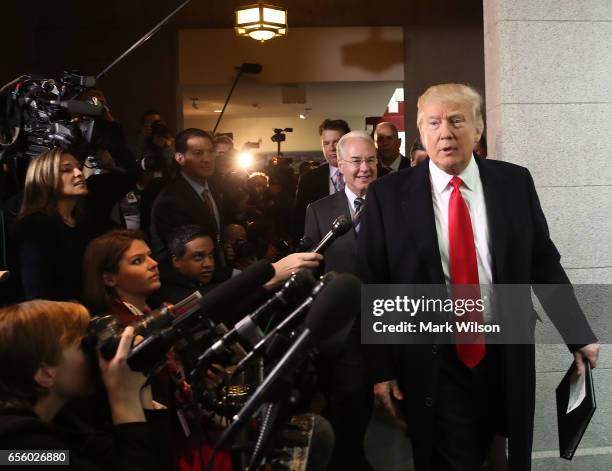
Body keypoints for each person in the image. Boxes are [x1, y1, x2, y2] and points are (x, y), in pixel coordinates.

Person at [358, 83, 599, 471]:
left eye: (457, 120)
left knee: (508, 454)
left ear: (478, 128)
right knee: (453, 458)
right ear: (420, 131)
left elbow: (543, 262)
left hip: (505, 351)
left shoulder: (513, 183)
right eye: (433, 123)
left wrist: (578, 333)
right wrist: (381, 368)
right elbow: (374, 282)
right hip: (436, 357)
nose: (445, 132)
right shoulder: (388, 194)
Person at [0, 299, 166, 471]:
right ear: (45, 373)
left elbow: (153, 460)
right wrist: (124, 399)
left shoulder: (65, 421)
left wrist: (140, 379)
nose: (94, 354)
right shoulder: (15, 446)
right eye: (82, 346)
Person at [304, 130, 379, 471]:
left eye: (371, 160)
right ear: (340, 164)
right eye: (357, 161)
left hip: (391, 316)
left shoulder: (395, 202)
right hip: (346, 326)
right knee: (349, 401)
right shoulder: (320, 211)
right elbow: (309, 263)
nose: (365, 168)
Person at [13, 146, 135, 301]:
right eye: (66, 169)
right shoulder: (34, 226)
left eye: (78, 167)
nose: (79, 173)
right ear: (44, 178)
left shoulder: (82, 222)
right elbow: (37, 294)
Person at [150, 128, 225, 262]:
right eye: (198, 153)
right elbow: (184, 256)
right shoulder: (171, 200)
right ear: (180, 158)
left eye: (211, 152)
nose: (207, 159)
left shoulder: (215, 187)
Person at [293, 119, 351, 239]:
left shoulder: (364, 173)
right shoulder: (308, 180)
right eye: (326, 143)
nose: (332, 148)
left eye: (336, 142)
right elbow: (299, 222)